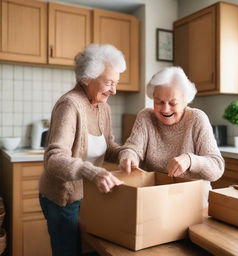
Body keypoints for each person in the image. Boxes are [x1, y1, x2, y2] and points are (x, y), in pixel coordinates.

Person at [39, 44, 126, 256]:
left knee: (91, 248)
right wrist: (91, 171)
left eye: (116, 83)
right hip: (63, 197)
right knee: (68, 251)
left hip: (90, 195)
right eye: (109, 83)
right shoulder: (70, 105)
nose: (113, 90)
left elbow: (110, 146)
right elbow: (54, 159)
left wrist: (126, 153)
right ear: (88, 77)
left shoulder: (103, 107)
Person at [119, 66, 224, 206]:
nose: (165, 109)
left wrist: (190, 160)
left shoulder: (197, 119)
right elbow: (133, 148)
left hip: (193, 203)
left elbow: (216, 168)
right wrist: (128, 156)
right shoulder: (145, 117)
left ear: (185, 101)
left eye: (172, 103)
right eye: (159, 102)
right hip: (155, 202)